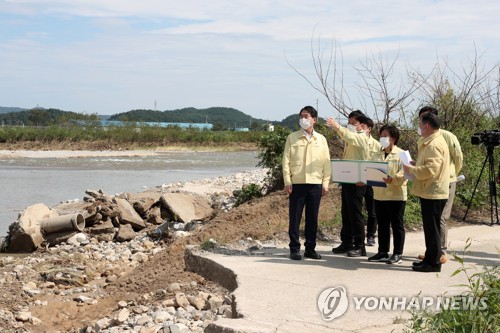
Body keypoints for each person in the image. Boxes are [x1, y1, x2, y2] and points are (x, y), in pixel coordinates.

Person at [282, 106, 332, 260]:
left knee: (312, 218)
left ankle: (310, 248)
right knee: (295, 217)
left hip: (315, 184)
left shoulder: (321, 139)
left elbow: (326, 163)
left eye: (306, 116)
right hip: (297, 183)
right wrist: (287, 181)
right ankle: (294, 248)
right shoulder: (292, 137)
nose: (303, 119)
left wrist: (325, 183)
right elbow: (286, 161)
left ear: (314, 120)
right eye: (301, 116)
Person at [326, 111, 377, 257]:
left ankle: (360, 245)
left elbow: (349, 136)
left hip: (358, 181)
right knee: (346, 212)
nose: (350, 126)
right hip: (348, 179)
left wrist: (337, 127)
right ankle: (347, 242)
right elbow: (347, 138)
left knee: (355, 213)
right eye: (349, 123)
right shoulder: (353, 138)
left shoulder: (362, 138)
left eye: (353, 123)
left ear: (361, 125)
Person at [404, 112, 450, 272]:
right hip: (431, 190)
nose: (418, 127)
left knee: (433, 230)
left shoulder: (434, 144)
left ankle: (433, 263)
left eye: (420, 124)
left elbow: (431, 169)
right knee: (431, 229)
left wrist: (412, 169)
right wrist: (416, 164)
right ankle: (430, 258)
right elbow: (430, 164)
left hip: (433, 191)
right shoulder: (432, 141)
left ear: (427, 126)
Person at [416, 106, 463, 264]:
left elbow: (458, 158)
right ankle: (432, 252)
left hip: (445, 181)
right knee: (432, 221)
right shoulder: (423, 138)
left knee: (440, 218)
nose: (420, 124)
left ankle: (439, 252)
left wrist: (451, 174)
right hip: (429, 182)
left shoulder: (446, 137)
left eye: (423, 120)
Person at [367, 124, 408, 264]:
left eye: (385, 136)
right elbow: (370, 169)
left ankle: (397, 254)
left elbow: (406, 173)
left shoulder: (402, 154)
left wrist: (393, 179)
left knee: (397, 225)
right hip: (379, 194)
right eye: (381, 136)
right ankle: (382, 252)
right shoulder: (375, 153)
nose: (382, 138)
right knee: (382, 224)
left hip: (396, 195)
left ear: (393, 138)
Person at [364, 117, 379, 246]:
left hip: (371, 179)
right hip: (358, 179)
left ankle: (371, 235)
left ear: (369, 129)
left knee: (372, 211)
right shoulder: (354, 142)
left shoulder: (377, 145)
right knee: (356, 210)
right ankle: (355, 235)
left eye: (364, 127)